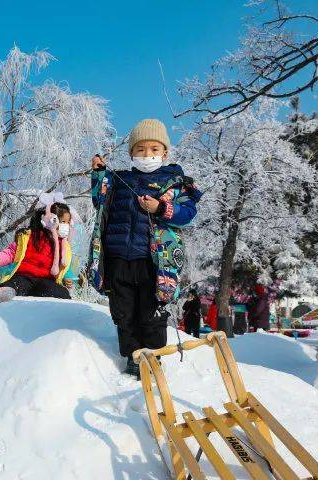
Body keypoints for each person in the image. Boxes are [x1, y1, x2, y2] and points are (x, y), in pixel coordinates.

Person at [89, 119, 201, 378]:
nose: (147, 155)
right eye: (140, 149)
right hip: (118, 258)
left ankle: (153, 356)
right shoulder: (119, 180)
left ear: (165, 153)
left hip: (154, 262)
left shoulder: (175, 182)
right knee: (123, 311)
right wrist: (98, 174)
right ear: (131, 153)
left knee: (151, 311)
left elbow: (188, 214)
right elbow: (99, 201)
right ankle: (132, 356)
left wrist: (161, 208)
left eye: (153, 149)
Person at [0, 198, 77, 305]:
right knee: (15, 285)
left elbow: (65, 265)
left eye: (68, 222)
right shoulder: (29, 236)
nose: (66, 226)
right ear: (51, 219)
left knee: (61, 292)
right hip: (24, 276)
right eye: (63, 221)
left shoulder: (63, 246)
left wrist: (67, 278)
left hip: (46, 281)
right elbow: (11, 253)